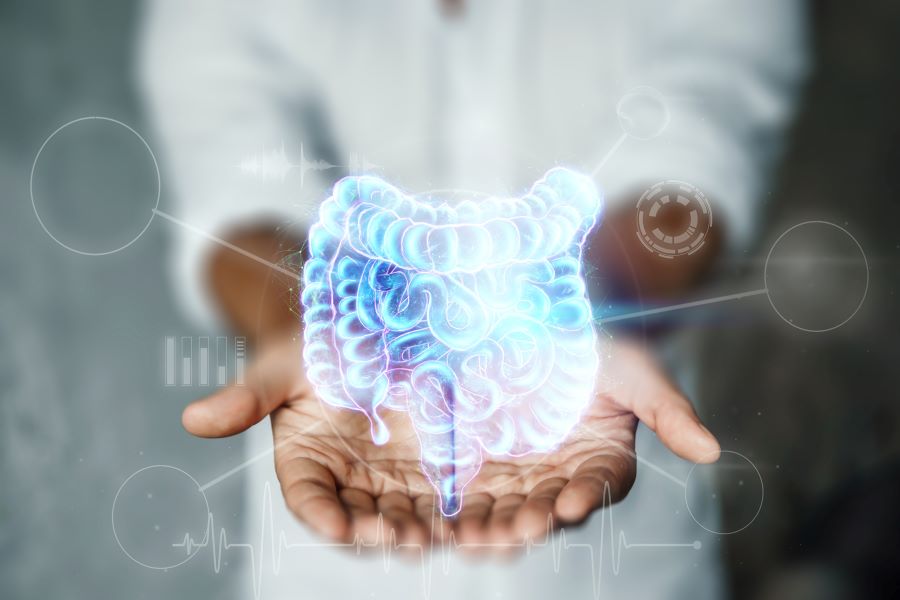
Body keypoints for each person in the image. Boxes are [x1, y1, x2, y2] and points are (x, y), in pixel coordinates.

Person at [139, 1, 807, 597]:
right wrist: (311, 325)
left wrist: (583, 310)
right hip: (326, 574)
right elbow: (235, 188)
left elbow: (692, 157)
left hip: (623, 571)